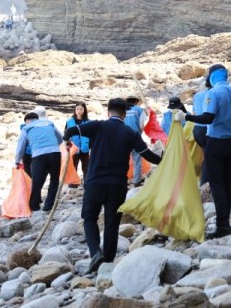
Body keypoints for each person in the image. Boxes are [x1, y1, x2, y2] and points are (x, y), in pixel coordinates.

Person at [63, 98, 162, 273]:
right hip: (118, 184)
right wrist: (165, 160)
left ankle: (95, 253)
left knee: (90, 218)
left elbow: (70, 130)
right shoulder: (130, 132)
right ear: (125, 113)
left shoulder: (98, 126)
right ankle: (108, 260)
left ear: (108, 112)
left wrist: (66, 141)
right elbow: (147, 154)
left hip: (95, 182)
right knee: (112, 222)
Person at [185, 64, 231, 239]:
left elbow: (208, 118)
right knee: (226, 182)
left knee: (216, 185)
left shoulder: (213, 93)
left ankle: (223, 225)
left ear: (212, 77)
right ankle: (225, 222)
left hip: (215, 142)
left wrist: (186, 116)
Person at [14, 106, 62, 212]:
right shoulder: (49, 123)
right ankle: (48, 206)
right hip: (55, 153)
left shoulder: (26, 128)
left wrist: (17, 161)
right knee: (54, 180)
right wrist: (53, 146)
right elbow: (60, 138)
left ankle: (34, 206)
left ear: (28, 120)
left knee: (36, 181)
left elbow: (20, 148)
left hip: (38, 155)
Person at [64, 102, 91, 186]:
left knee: (86, 168)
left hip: (85, 148)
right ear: (75, 110)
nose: (79, 111)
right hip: (74, 148)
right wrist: (67, 145)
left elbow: (92, 135)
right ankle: (73, 184)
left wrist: (91, 146)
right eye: (77, 109)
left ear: (84, 110)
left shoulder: (88, 122)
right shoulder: (69, 121)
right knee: (73, 166)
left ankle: (87, 184)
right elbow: (65, 134)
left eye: (81, 109)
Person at [124, 95, 147, 187]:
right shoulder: (140, 110)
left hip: (123, 137)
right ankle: (136, 182)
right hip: (135, 137)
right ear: (136, 101)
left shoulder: (122, 110)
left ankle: (122, 181)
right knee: (137, 160)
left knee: (123, 160)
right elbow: (142, 125)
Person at [19, 112, 39, 177]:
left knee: (28, 173)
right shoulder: (39, 127)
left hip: (27, 153)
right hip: (37, 153)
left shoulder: (24, 128)